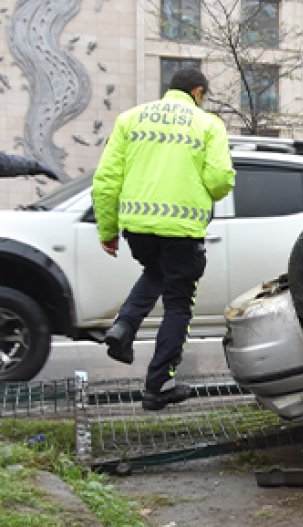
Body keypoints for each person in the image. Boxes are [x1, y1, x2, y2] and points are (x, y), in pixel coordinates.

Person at [92, 68, 235, 410]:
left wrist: (108, 231)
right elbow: (219, 180)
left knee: (155, 272)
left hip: (137, 228)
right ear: (198, 92)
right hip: (182, 231)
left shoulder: (130, 119)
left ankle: (124, 326)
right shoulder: (208, 125)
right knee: (178, 305)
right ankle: (158, 385)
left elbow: (106, 181)